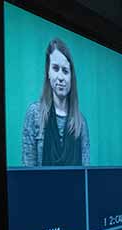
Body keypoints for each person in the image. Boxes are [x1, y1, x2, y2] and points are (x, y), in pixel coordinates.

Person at [22, 38, 89, 167]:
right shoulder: (34, 114)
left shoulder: (81, 123)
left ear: (71, 77)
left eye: (65, 71)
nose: (60, 77)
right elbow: (28, 172)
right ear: (48, 72)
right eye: (55, 68)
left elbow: (85, 174)